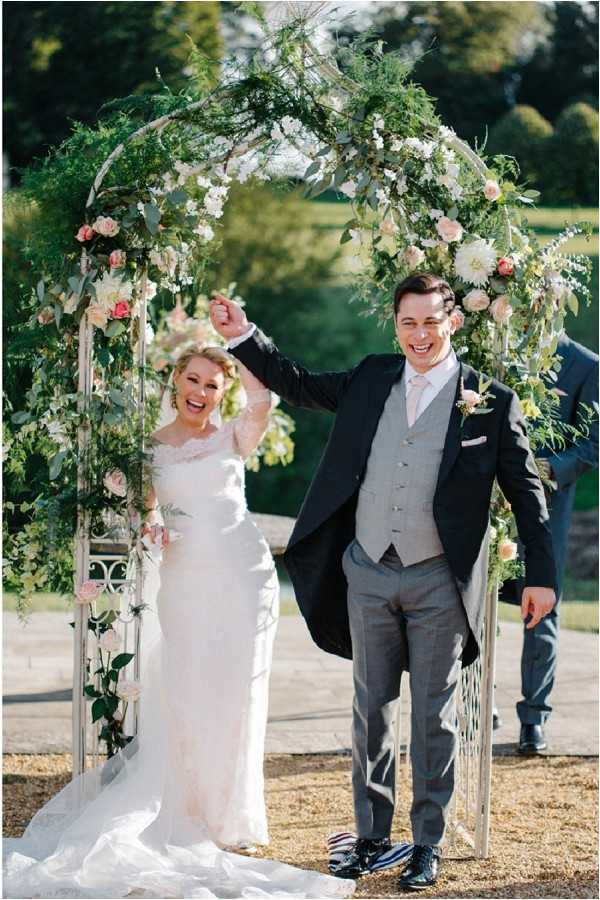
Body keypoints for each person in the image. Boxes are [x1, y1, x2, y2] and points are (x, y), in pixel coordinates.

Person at [210, 275, 557, 891]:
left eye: (430, 322)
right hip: (367, 569)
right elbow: (299, 384)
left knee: (433, 716)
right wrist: (243, 336)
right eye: (408, 323)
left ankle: (427, 842)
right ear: (395, 325)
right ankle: (372, 834)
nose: (419, 335)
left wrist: (543, 576)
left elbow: (527, 494)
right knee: (370, 709)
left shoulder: (491, 401)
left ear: (452, 321)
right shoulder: (373, 377)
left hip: (438, 580)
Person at [3, 347, 354, 900]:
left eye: (214, 385)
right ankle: (188, 806)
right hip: (185, 581)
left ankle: (230, 815)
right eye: (193, 379)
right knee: (188, 690)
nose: (201, 391)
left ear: (225, 392)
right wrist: (153, 533)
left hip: (245, 578)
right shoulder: (149, 451)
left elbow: (262, 400)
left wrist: (244, 341)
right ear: (175, 381)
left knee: (239, 693)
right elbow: (145, 513)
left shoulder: (237, 435)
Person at [501, 332, 598, 754]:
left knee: (542, 606)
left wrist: (545, 471)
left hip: (548, 505)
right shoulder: (495, 346)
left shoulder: (587, 365)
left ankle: (534, 718)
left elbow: (592, 445)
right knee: (470, 598)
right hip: (484, 498)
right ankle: (475, 704)